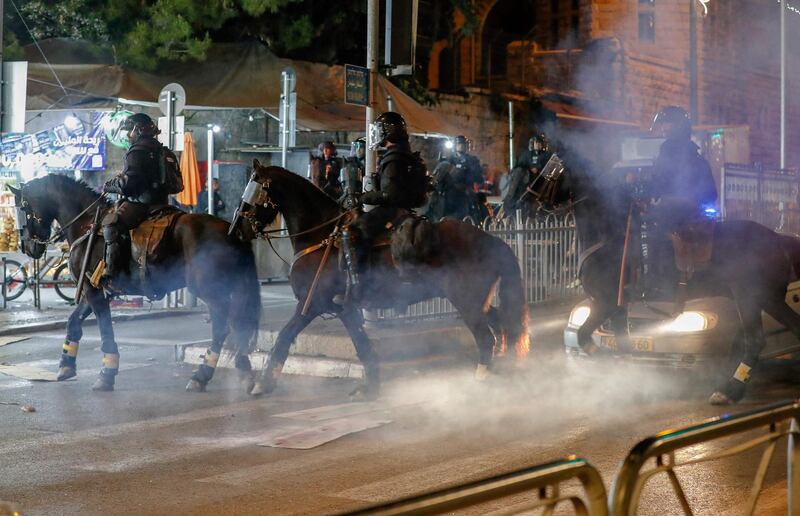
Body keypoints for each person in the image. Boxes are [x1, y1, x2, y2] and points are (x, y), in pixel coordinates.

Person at [333, 112, 428, 305]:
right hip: (404, 209)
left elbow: (388, 195)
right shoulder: (406, 154)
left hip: (391, 210)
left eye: (380, 130)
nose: (377, 135)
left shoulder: (394, 158)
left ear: (388, 132)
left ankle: (357, 286)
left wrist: (361, 198)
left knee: (349, 232)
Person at [642, 106, 717, 295]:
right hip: (672, 211)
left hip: (686, 214)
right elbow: (657, 185)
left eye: (667, 123)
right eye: (662, 124)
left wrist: (672, 199)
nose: (663, 128)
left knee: (659, 235)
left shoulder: (683, 156)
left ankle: (662, 281)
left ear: (679, 126)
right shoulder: (667, 152)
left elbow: (707, 193)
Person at [102, 113, 181, 278]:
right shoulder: (164, 151)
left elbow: (129, 185)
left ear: (137, 130)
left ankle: (112, 274)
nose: (128, 135)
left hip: (141, 205)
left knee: (112, 224)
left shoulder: (137, 151)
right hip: (163, 203)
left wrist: (110, 186)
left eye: (129, 131)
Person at [502, 133, 552, 218]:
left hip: (539, 180)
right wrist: (529, 169)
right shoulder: (527, 154)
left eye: (540, 143)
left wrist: (539, 169)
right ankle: (511, 195)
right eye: (537, 143)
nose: (539, 145)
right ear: (533, 144)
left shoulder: (546, 155)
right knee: (518, 172)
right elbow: (519, 165)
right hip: (526, 179)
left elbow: (548, 168)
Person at [444, 135, 483, 220]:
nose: (461, 146)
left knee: (468, 216)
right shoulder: (449, 160)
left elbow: (478, 178)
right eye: (459, 144)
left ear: (466, 146)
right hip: (451, 193)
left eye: (463, 144)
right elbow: (444, 175)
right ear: (455, 145)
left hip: (466, 193)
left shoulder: (472, 160)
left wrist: (468, 187)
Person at [340, 137, 366, 210]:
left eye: (361, 147)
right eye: (356, 147)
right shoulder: (350, 165)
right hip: (353, 198)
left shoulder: (370, 163)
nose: (358, 150)